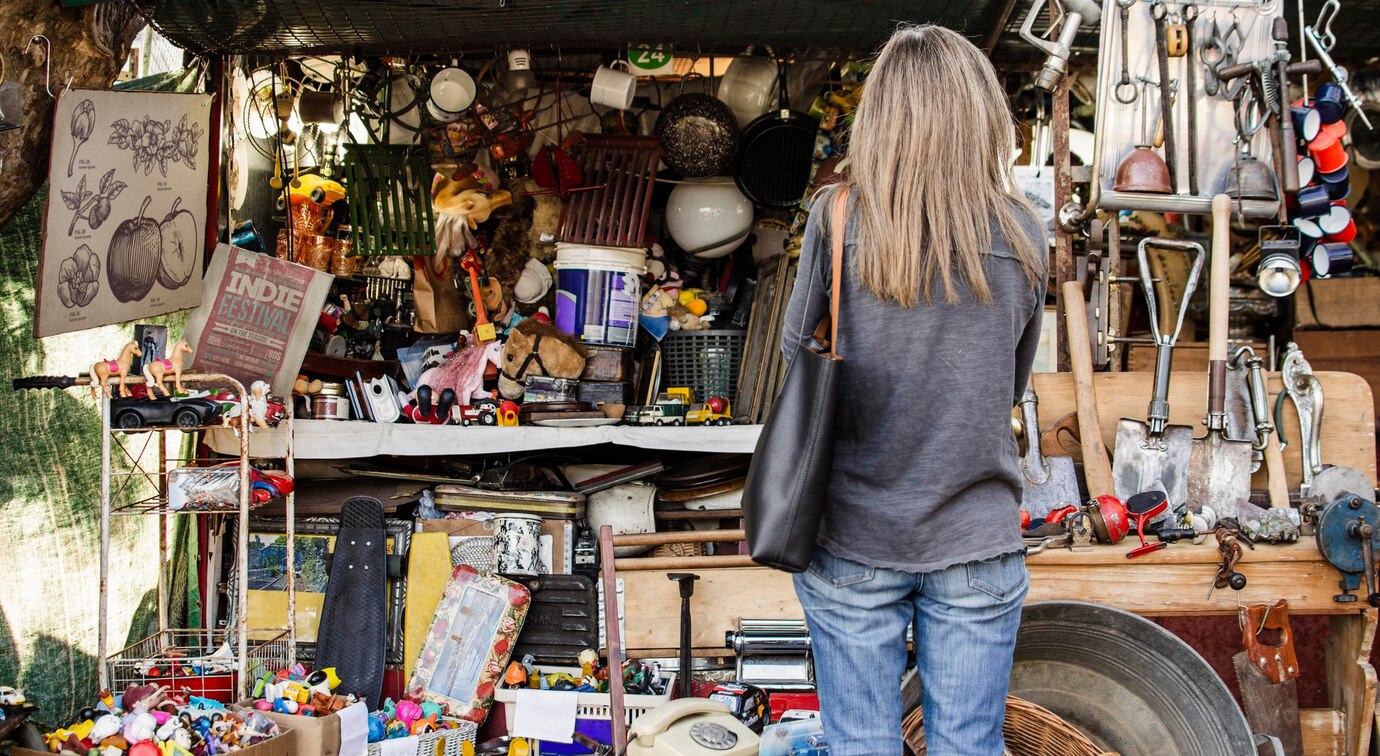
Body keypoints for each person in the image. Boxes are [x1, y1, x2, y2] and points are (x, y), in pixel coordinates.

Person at [780, 24, 1048, 755]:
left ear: (881, 115)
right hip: (975, 534)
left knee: (861, 744)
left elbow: (794, 362)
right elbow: (1010, 381)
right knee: (968, 746)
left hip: (854, 532)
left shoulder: (836, 219)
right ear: (981, 114)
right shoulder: (1025, 232)